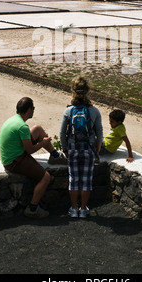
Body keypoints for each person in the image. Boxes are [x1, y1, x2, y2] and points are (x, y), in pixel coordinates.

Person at [0, 97, 67, 219]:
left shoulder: (13, 120)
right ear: (29, 110)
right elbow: (30, 150)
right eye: (33, 108)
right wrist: (44, 142)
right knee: (45, 177)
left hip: (12, 153)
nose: (34, 110)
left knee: (38, 129)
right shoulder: (22, 127)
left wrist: (42, 141)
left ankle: (55, 156)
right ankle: (32, 208)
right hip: (14, 161)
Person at [59, 75, 103, 218]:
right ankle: (83, 209)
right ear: (87, 91)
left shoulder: (68, 111)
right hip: (88, 147)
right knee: (86, 180)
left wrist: (65, 148)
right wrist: (97, 148)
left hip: (73, 147)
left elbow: (62, 133)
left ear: (73, 90)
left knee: (73, 179)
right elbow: (99, 132)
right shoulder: (94, 111)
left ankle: (73, 209)